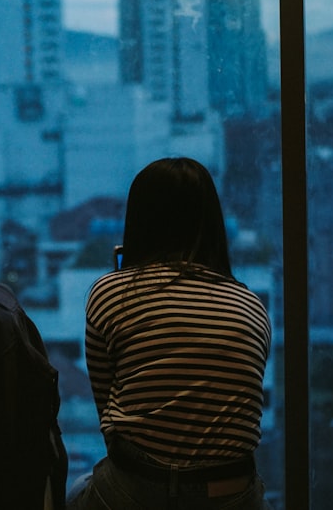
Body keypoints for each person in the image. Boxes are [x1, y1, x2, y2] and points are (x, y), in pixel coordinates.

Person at [66, 157, 272, 510]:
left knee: (74, 492)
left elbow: (110, 423)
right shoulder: (251, 305)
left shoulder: (111, 294)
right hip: (233, 493)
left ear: (139, 222)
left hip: (136, 489)